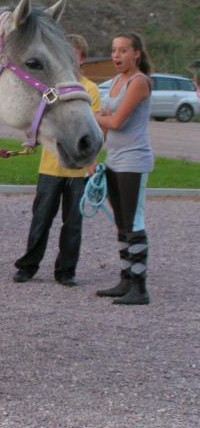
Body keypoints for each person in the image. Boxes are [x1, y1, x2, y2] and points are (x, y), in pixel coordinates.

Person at [12, 34, 101, 287]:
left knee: (73, 223)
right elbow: (39, 117)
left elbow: (91, 127)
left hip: (78, 170)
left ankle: (66, 270)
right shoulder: (52, 90)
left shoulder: (90, 90)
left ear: (82, 59)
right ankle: (28, 265)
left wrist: (91, 159)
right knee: (41, 218)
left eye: (75, 55)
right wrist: (32, 138)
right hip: (50, 166)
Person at [94, 32, 153, 305]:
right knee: (121, 223)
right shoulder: (117, 81)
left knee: (134, 222)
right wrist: (97, 155)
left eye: (123, 50)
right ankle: (126, 279)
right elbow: (107, 123)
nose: (116, 55)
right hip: (115, 159)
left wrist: (92, 115)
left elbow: (115, 121)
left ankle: (139, 288)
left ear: (137, 53)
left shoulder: (139, 82)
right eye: (114, 50)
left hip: (134, 160)